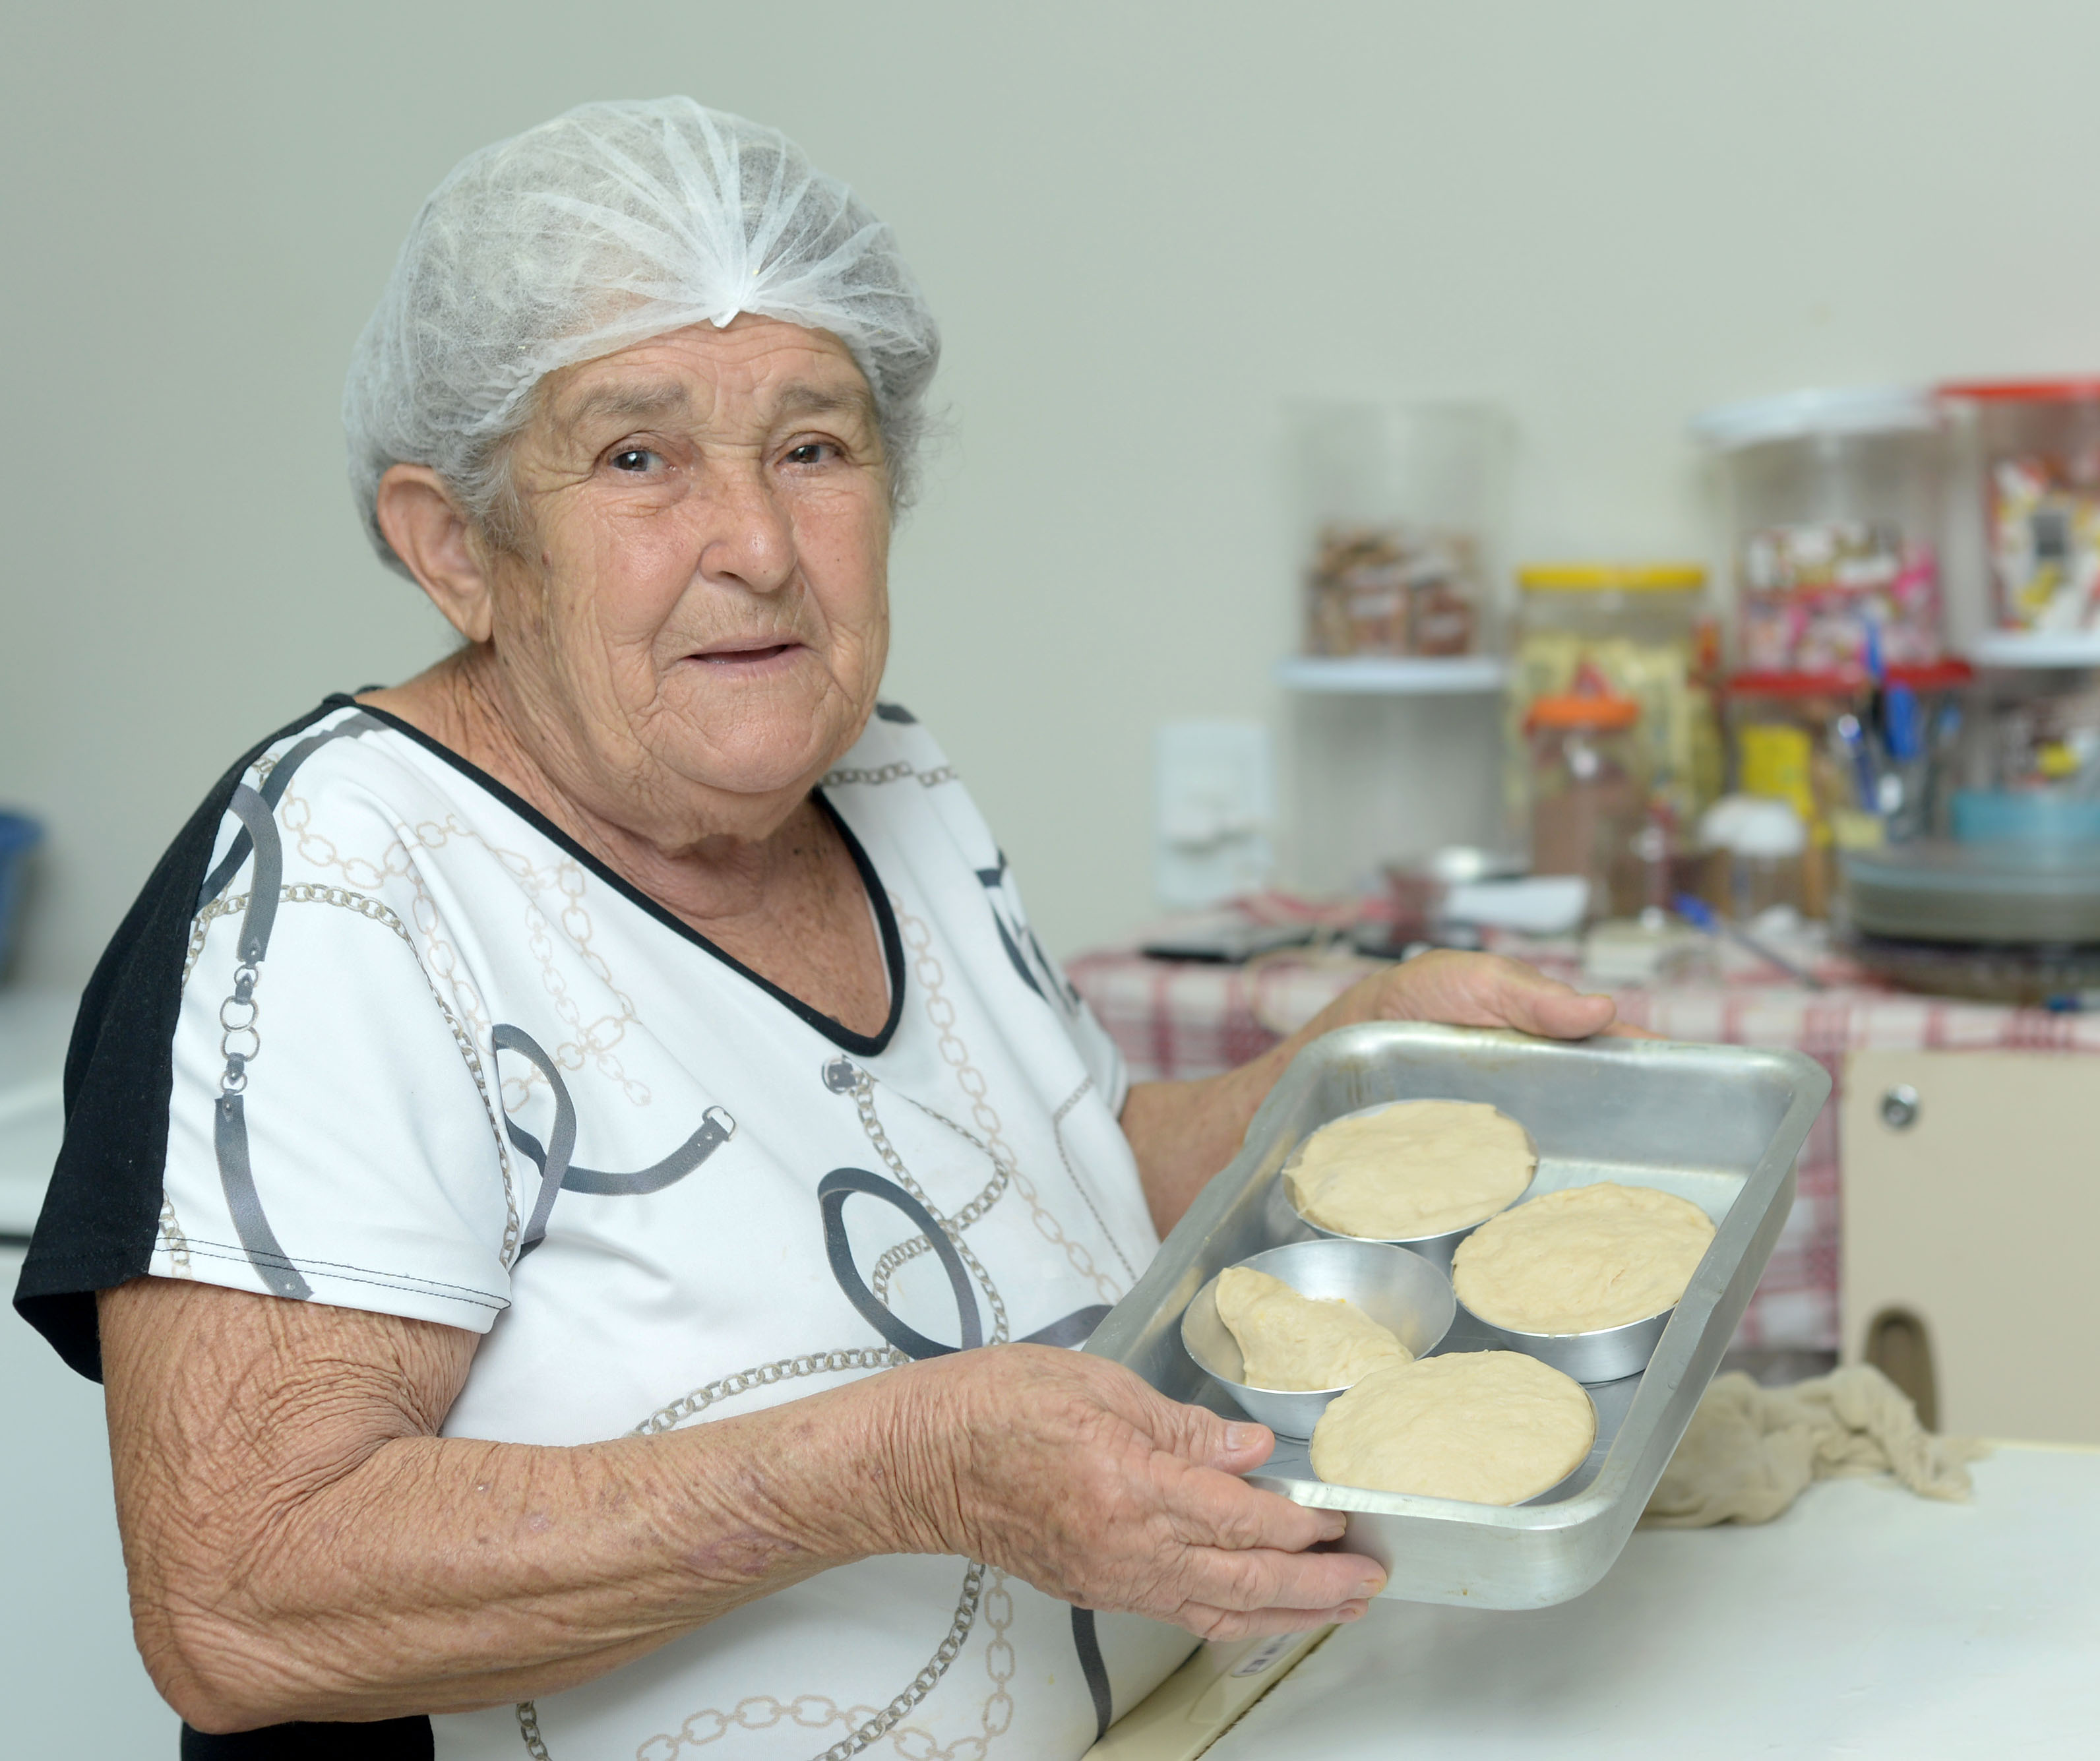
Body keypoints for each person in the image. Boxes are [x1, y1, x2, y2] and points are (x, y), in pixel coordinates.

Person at [11, 99, 1626, 1760]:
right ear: (455, 546)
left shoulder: (883, 771)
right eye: (638, 456)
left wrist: (1356, 1077)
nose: (763, 549)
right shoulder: (339, 887)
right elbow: (239, 1597)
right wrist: (889, 1466)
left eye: (814, 445)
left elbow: (1061, 1179)